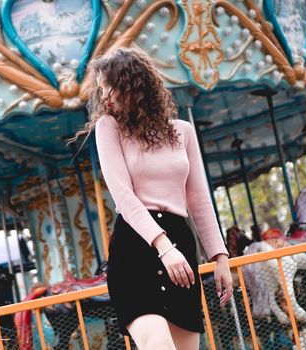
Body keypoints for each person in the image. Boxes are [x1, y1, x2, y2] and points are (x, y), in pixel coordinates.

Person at [68, 48, 232, 350]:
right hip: (136, 247)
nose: (105, 98)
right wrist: (163, 247)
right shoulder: (109, 127)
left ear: (134, 85)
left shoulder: (184, 132)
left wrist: (220, 258)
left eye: (111, 88)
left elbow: (198, 199)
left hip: (181, 247)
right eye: (102, 90)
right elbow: (123, 195)